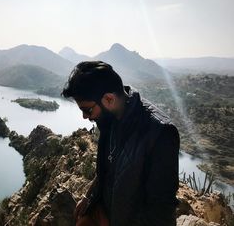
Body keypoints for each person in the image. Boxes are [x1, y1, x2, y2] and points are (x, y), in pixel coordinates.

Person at [61, 61, 180, 226]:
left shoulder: (159, 133)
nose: (85, 117)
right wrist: (90, 197)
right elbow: (107, 171)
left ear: (109, 99)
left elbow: (161, 211)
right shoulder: (109, 119)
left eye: (87, 110)